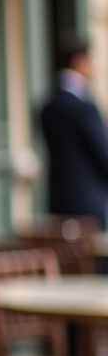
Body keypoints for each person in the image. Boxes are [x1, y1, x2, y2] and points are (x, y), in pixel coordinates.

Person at [41, 32, 108, 227]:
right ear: (79, 61)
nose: (94, 66)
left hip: (58, 201)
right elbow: (103, 157)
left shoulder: (48, 106)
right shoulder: (84, 108)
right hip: (87, 206)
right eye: (91, 60)